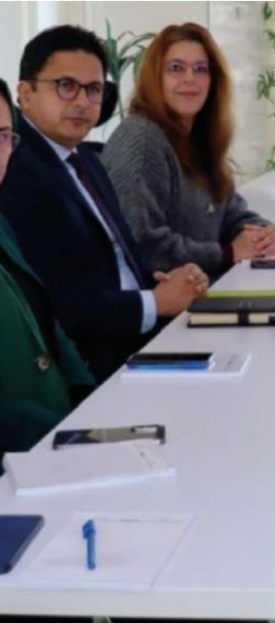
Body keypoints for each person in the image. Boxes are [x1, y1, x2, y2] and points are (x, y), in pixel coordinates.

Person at [0, 25, 209, 383]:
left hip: (144, 335)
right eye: (66, 86)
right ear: (26, 94)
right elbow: (57, 304)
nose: (82, 101)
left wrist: (169, 283)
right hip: (95, 367)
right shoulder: (16, 171)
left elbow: (115, 263)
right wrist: (156, 303)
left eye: (94, 89)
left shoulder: (86, 159)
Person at [102, 23, 275, 280]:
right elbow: (143, 244)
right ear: (155, 78)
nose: (189, 79)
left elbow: (231, 216)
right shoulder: (142, 138)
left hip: (207, 288)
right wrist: (227, 253)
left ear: (213, 81)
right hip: (165, 301)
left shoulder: (199, 139)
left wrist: (264, 233)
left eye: (201, 69)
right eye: (176, 68)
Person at [0, 77, 95, 459]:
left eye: (3, 136)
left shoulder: (1, 223)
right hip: (24, 455)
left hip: (59, 436)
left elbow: (43, 317)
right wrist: (58, 433)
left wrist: (87, 395)